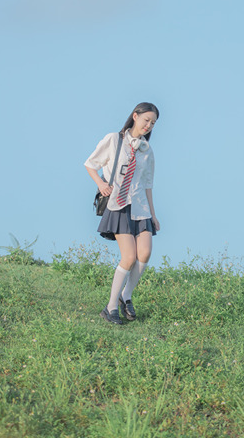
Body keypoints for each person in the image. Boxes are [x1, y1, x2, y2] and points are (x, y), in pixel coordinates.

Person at [85, 102, 161, 325]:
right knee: (128, 257)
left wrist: (153, 214)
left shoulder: (147, 150)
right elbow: (90, 164)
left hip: (140, 207)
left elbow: (148, 184)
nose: (149, 125)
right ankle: (110, 307)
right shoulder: (114, 140)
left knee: (144, 253)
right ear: (135, 116)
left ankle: (125, 296)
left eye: (153, 123)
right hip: (118, 204)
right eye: (146, 120)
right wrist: (101, 184)